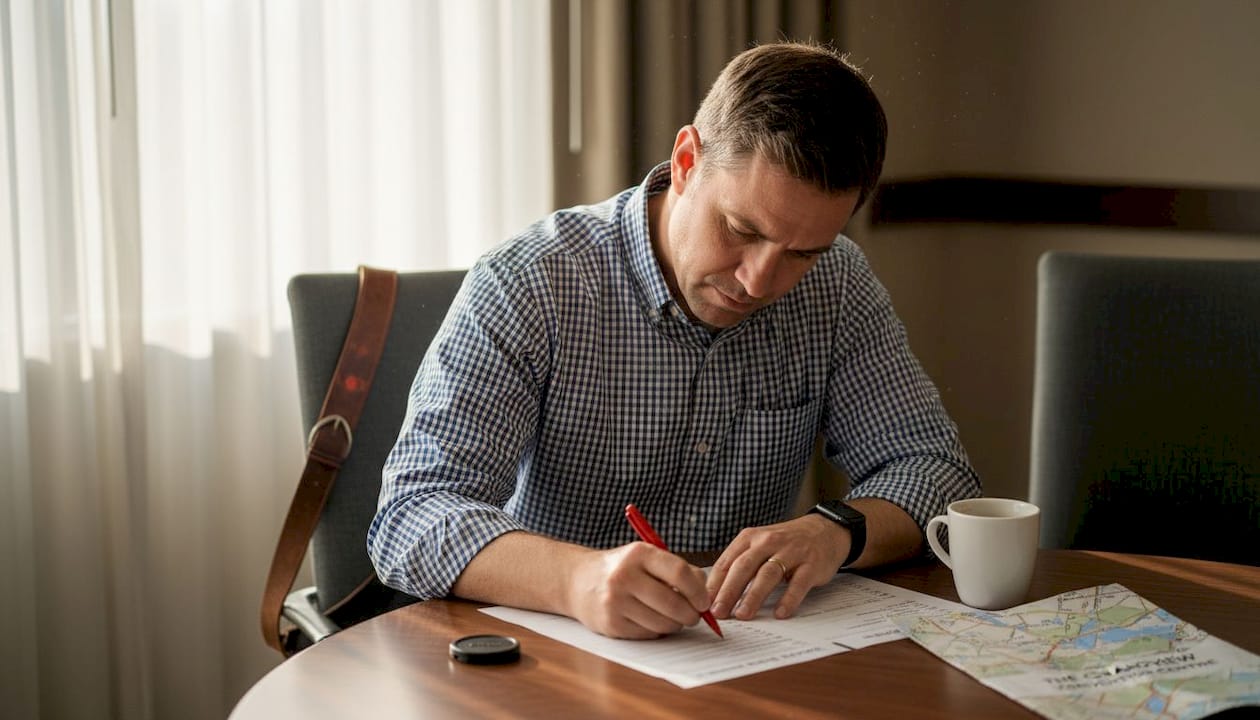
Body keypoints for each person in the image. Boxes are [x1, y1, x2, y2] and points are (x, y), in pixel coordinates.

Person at [368, 41, 981, 639]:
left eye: (801, 253)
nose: (758, 280)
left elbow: (937, 470)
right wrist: (578, 580)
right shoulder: (532, 281)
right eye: (740, 229)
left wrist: (836, 530)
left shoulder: (838, 284)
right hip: (553, 654)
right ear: (686, 161)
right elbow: (411, 515)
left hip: (740, 654)